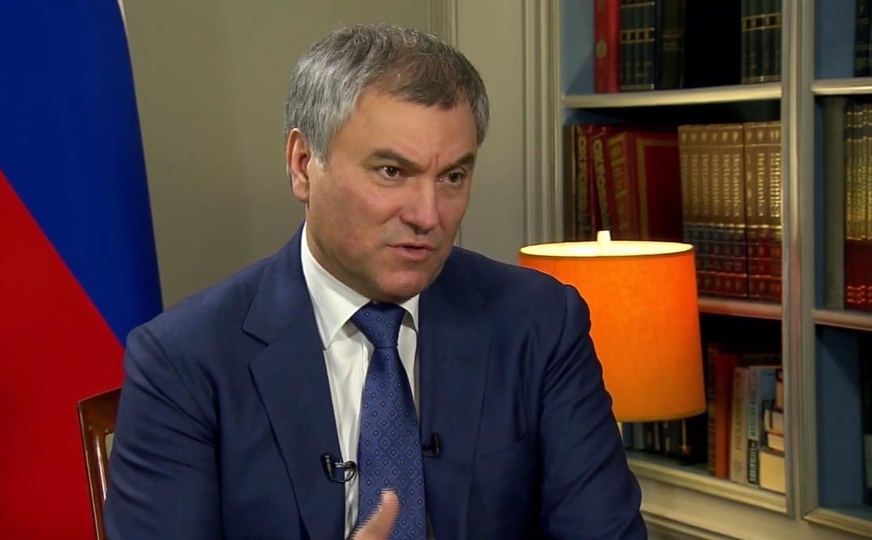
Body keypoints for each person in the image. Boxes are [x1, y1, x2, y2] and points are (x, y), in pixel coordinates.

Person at [103, 22, 647, 540]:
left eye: (452, 176)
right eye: (392, 172)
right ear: (302, 165)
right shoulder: (184, 362)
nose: (428, 215)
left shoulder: (540, 323)